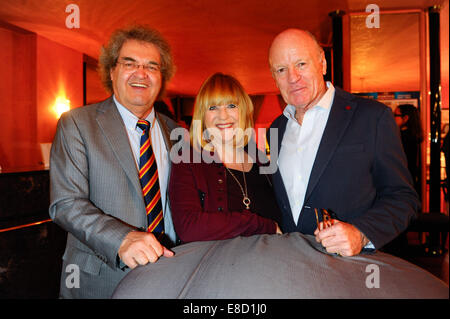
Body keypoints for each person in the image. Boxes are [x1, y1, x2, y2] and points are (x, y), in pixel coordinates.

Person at [49, 25, 179, 298]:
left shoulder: (177, 133)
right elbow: (65, 204)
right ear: (111, 71)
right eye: (129, 63)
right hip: (99, 281)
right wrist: (121, 239)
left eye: (152, 66)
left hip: (167, 278)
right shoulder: (77, 124)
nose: (141, 73)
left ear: (161, 77)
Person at [267, 29, 420, 256]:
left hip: (353, 273)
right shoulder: (275, 129)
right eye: (281, 69)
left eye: (301, 64)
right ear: (274, 76)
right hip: (292, 267)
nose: (292, 77)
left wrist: (361, 233)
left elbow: (403, 198)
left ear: (323, 64)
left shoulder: (372, 117)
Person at [168, 72, 282, 243]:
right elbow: (189, 228)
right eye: (212, 107)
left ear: (243, 111)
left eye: (231, 106)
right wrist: (260, 224)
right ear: (202, 116)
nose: (223, 115)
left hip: (274, 260)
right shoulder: (187, 160)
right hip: (220, 266)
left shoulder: (260, 158)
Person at [394, 104, 423, 195]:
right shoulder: (414, 136)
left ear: (406, 118)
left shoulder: (402, 137)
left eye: (395, 115)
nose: (392, 118)